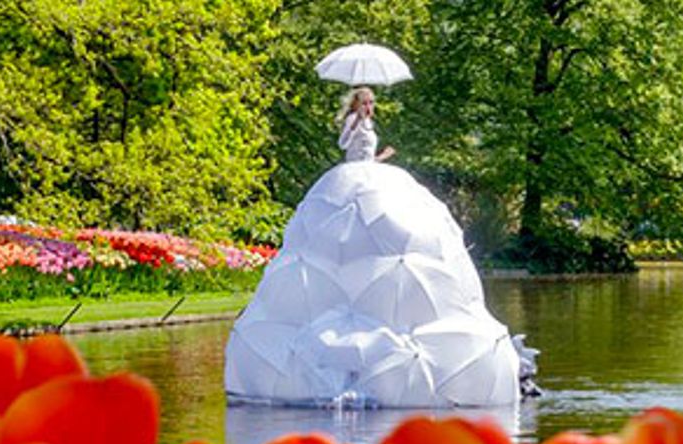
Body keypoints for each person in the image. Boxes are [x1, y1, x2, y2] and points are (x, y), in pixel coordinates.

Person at [226, 83, 535, 408]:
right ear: (357, 103)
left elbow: (367, 154)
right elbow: (346, 146)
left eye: (372, 102)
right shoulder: (353, 123)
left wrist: (381, 156)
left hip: (374, 175)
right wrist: (356, 127)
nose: (370, 107)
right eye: (366, 102)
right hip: (349, 179)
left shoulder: (371, 126)